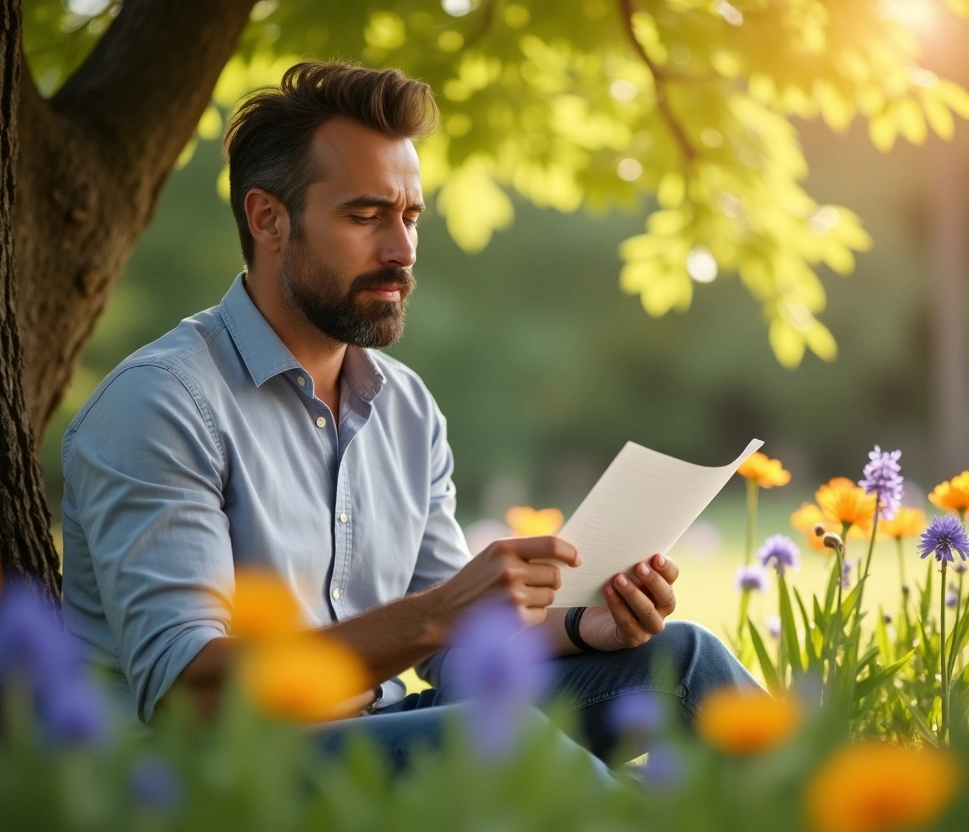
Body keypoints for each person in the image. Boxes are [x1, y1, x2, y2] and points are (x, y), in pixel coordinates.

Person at [60, 61, 759, 769]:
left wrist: (585, 626)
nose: (401, 250)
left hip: (381, 732)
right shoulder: (162, 402)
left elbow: (454, 648)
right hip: (221, 773)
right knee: (524, 747)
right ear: (268, 219)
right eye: (366, 216)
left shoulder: (405, 407)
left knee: (683, 662)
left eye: (409, 216)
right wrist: (437, 613)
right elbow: (192, 695)